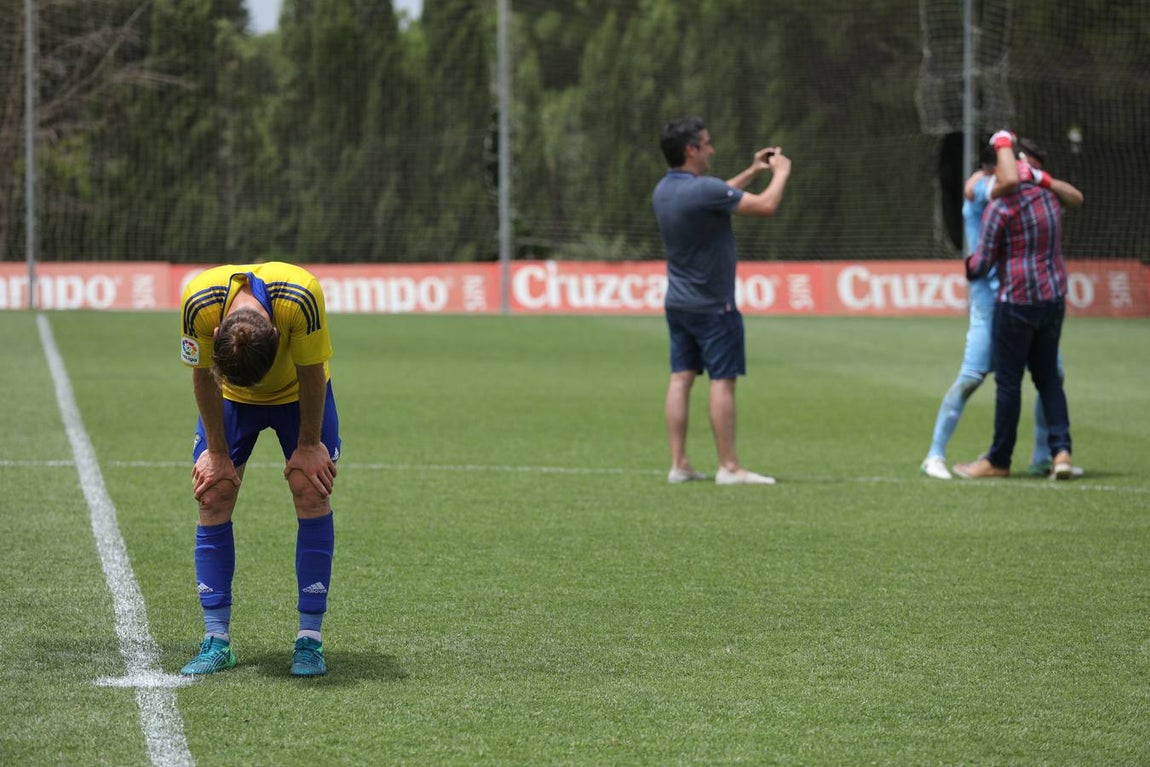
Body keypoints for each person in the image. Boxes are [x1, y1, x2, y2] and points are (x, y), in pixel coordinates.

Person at [178, 262, 340, 676]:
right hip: (229, 396)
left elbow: (312, 373)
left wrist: (308, 446)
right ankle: (216, 639)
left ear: (278, 336)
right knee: (213, 493)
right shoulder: (198, 300)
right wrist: (216, 451)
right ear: (217, 336)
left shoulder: (301, 296)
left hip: (298, 394)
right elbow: (201, 376)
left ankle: (310, 640)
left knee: (311, 487)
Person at [920, 139, 1083, 480]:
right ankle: (934, 454)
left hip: (1022, 297)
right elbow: (1005, 181)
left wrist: (1040, 179)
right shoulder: (983, 186)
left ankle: (1042, 455)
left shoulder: (1029, 195)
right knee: (972, 378)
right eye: (1027, 166)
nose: (1031, 174)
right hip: (990, 302)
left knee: (1052, 375)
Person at [652, 116, 791, 485]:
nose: (712, 149)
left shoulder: (666, 190)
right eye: (707, 143)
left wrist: (752, 170)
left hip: (678, 304)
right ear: (691, 150)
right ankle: (729, 467)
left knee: (680, 378)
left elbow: (717, 195)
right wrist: (780, 172)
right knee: (722, 381)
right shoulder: (704, 191)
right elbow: (765, 206)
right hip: (714, 307)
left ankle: (678, 464)